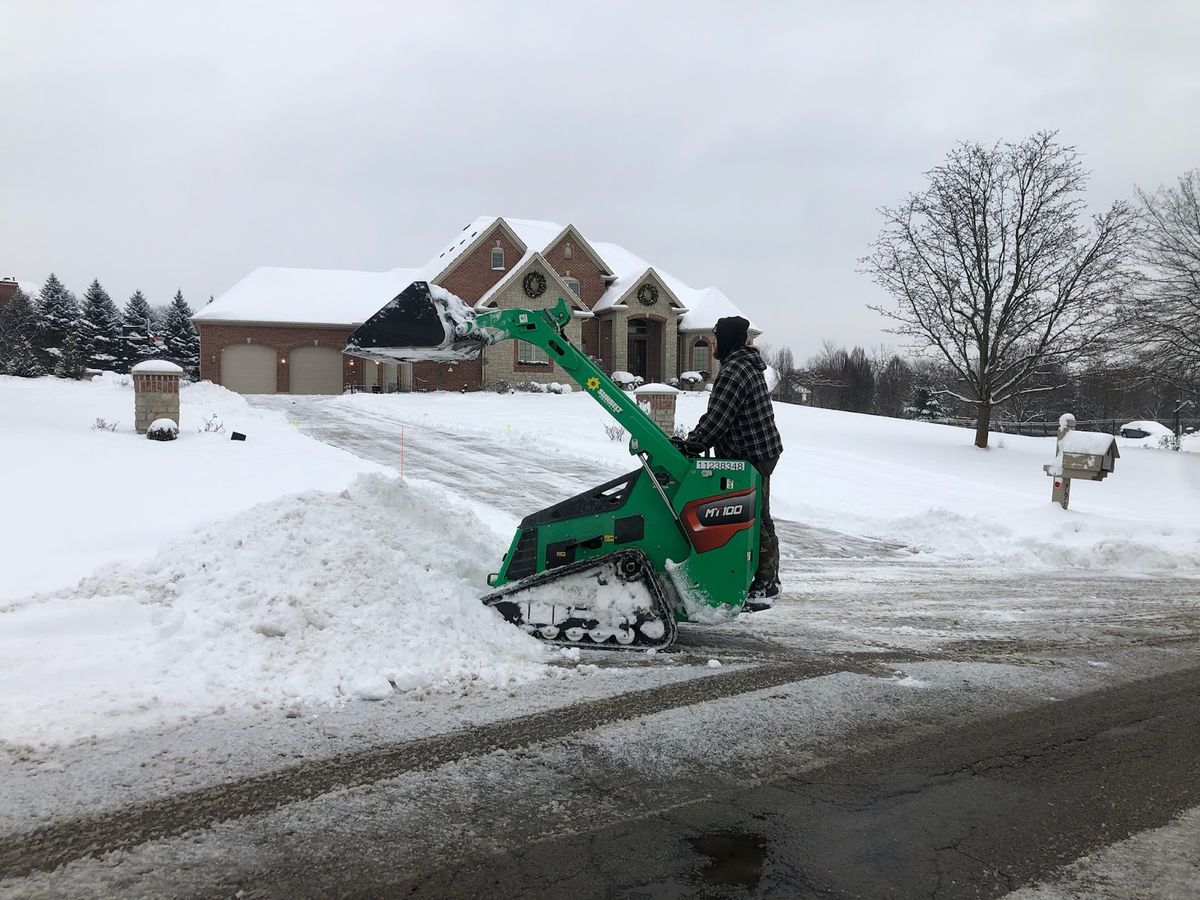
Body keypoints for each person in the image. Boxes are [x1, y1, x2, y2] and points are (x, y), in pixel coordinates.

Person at [676, 315, 783, 608]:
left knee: (755, 516)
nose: (712, 342)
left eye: (715, 337)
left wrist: (692, 444)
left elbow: (718, 418)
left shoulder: (734, 371)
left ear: (726, 340)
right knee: (760, 514)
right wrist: (695, 441)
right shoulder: (745, 364)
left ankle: (765, 582)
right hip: (762, 450)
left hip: (752, 454)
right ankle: (766, 577)